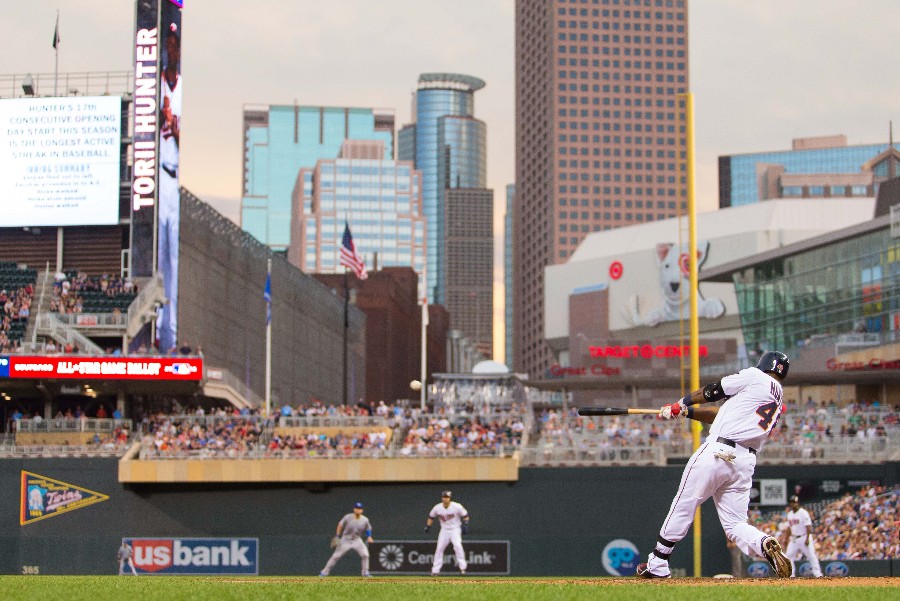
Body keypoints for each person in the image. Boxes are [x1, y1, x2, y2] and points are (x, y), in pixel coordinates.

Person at [636, 351, 793, 579]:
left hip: (718, 451)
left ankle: (658, 562)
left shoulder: (754, 376)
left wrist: (681, 402)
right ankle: (763, 542)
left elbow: (713, 391)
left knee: (684, 503)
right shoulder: (777, 398)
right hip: (744, 462)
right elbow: (721, 414)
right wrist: (685, 412)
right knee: (735, 524)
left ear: (764, 364)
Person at [156, 21, 182, 353]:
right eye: (168, 43)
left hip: (178, 178)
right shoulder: (157, 83)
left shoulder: (184, 88)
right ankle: (160, 336)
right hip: (159, 178)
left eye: (175, 44)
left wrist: (174, 126)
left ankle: (171, 341)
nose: (171, 49)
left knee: (175, 262)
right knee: (161, 261)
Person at [319, 502, 373, 577]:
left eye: (359, 509)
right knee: (336, 556)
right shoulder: (348, 517)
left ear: (362, 511)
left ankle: (365, 573)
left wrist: (369, 536)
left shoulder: (365, 520)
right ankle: (324, 573)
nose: (358, 510)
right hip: (346, 539)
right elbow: (340, 525)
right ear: (354, 509)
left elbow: (368, 529)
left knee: (365, 555)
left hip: (357, 540)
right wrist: (337, 535)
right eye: (357, 508)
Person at [424, 490, 470, 576]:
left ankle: (462, 568)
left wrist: (466, 524)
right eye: (444, 497)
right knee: (439, 549)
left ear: (450, 498)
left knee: (458, 546)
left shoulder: (456, 506)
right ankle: (435, 570)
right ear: (442, 498)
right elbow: (431, 517)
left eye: (447, 497)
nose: (445, 499)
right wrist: (428, 526)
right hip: (444, 529)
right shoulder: (437, 507)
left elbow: (465, 515)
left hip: (455, 529)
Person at [782, 495, 823, 577]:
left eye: (795, 502)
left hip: (804, 537)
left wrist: (807, 538)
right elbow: (789, 528)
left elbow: (808, 526)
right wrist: (786, 539)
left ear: (798, 503)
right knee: (789, 555)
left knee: (811, 555)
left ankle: (818, 574)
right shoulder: (789, 514)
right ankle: (791, 574)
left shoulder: (803, 513)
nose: (794, 504)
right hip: (794, 538)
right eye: (792, 502)